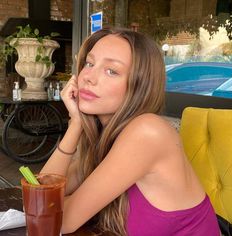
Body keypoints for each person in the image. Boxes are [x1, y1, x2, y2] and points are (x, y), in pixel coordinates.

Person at [40, 27, 220, 236]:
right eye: (89, 63)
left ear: (139, 86)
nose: (88, 76)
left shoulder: (147, 132)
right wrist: (75, 125)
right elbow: (38, 196)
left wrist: (56, 203)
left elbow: (58, 219)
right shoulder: (107, 139)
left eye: (111, 71)